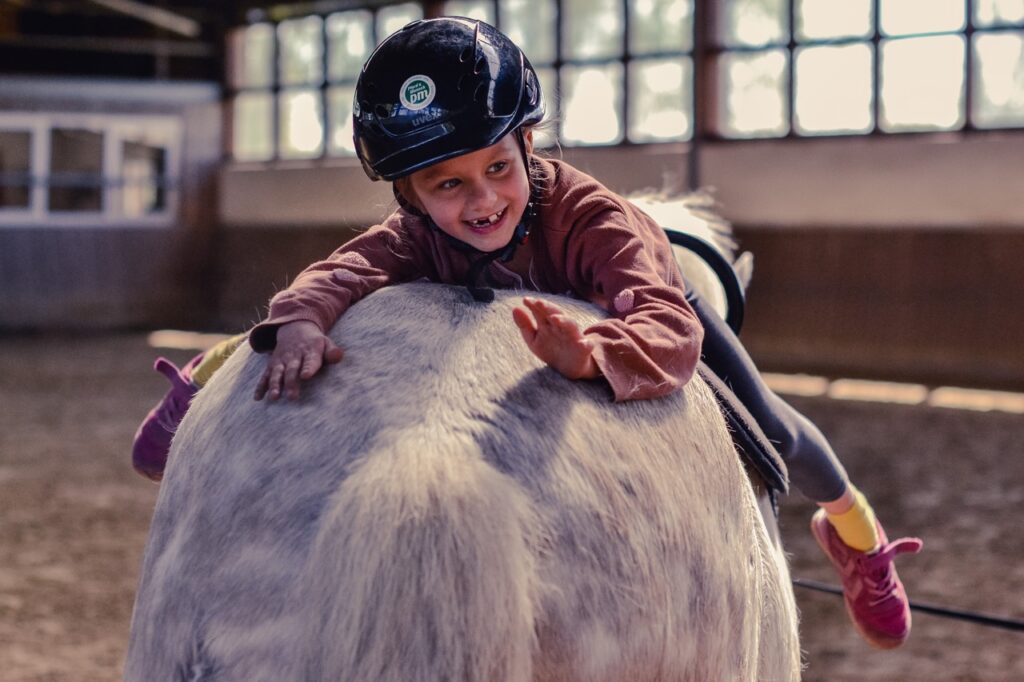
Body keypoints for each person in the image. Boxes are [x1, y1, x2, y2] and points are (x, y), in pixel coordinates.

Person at [132, 16, 921, 649]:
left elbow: (665, 327)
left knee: (778, 431)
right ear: (408, 195)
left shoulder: (597, 220)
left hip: (630, 304)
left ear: (528, 146)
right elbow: (341, 272)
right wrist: (302, 320)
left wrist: (595, 351)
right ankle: (203, 391)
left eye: (497, 169)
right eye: (448, 186)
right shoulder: (416, 234)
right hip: (519, 309)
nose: (481, 202)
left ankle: (860, 539)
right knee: (300, 306)